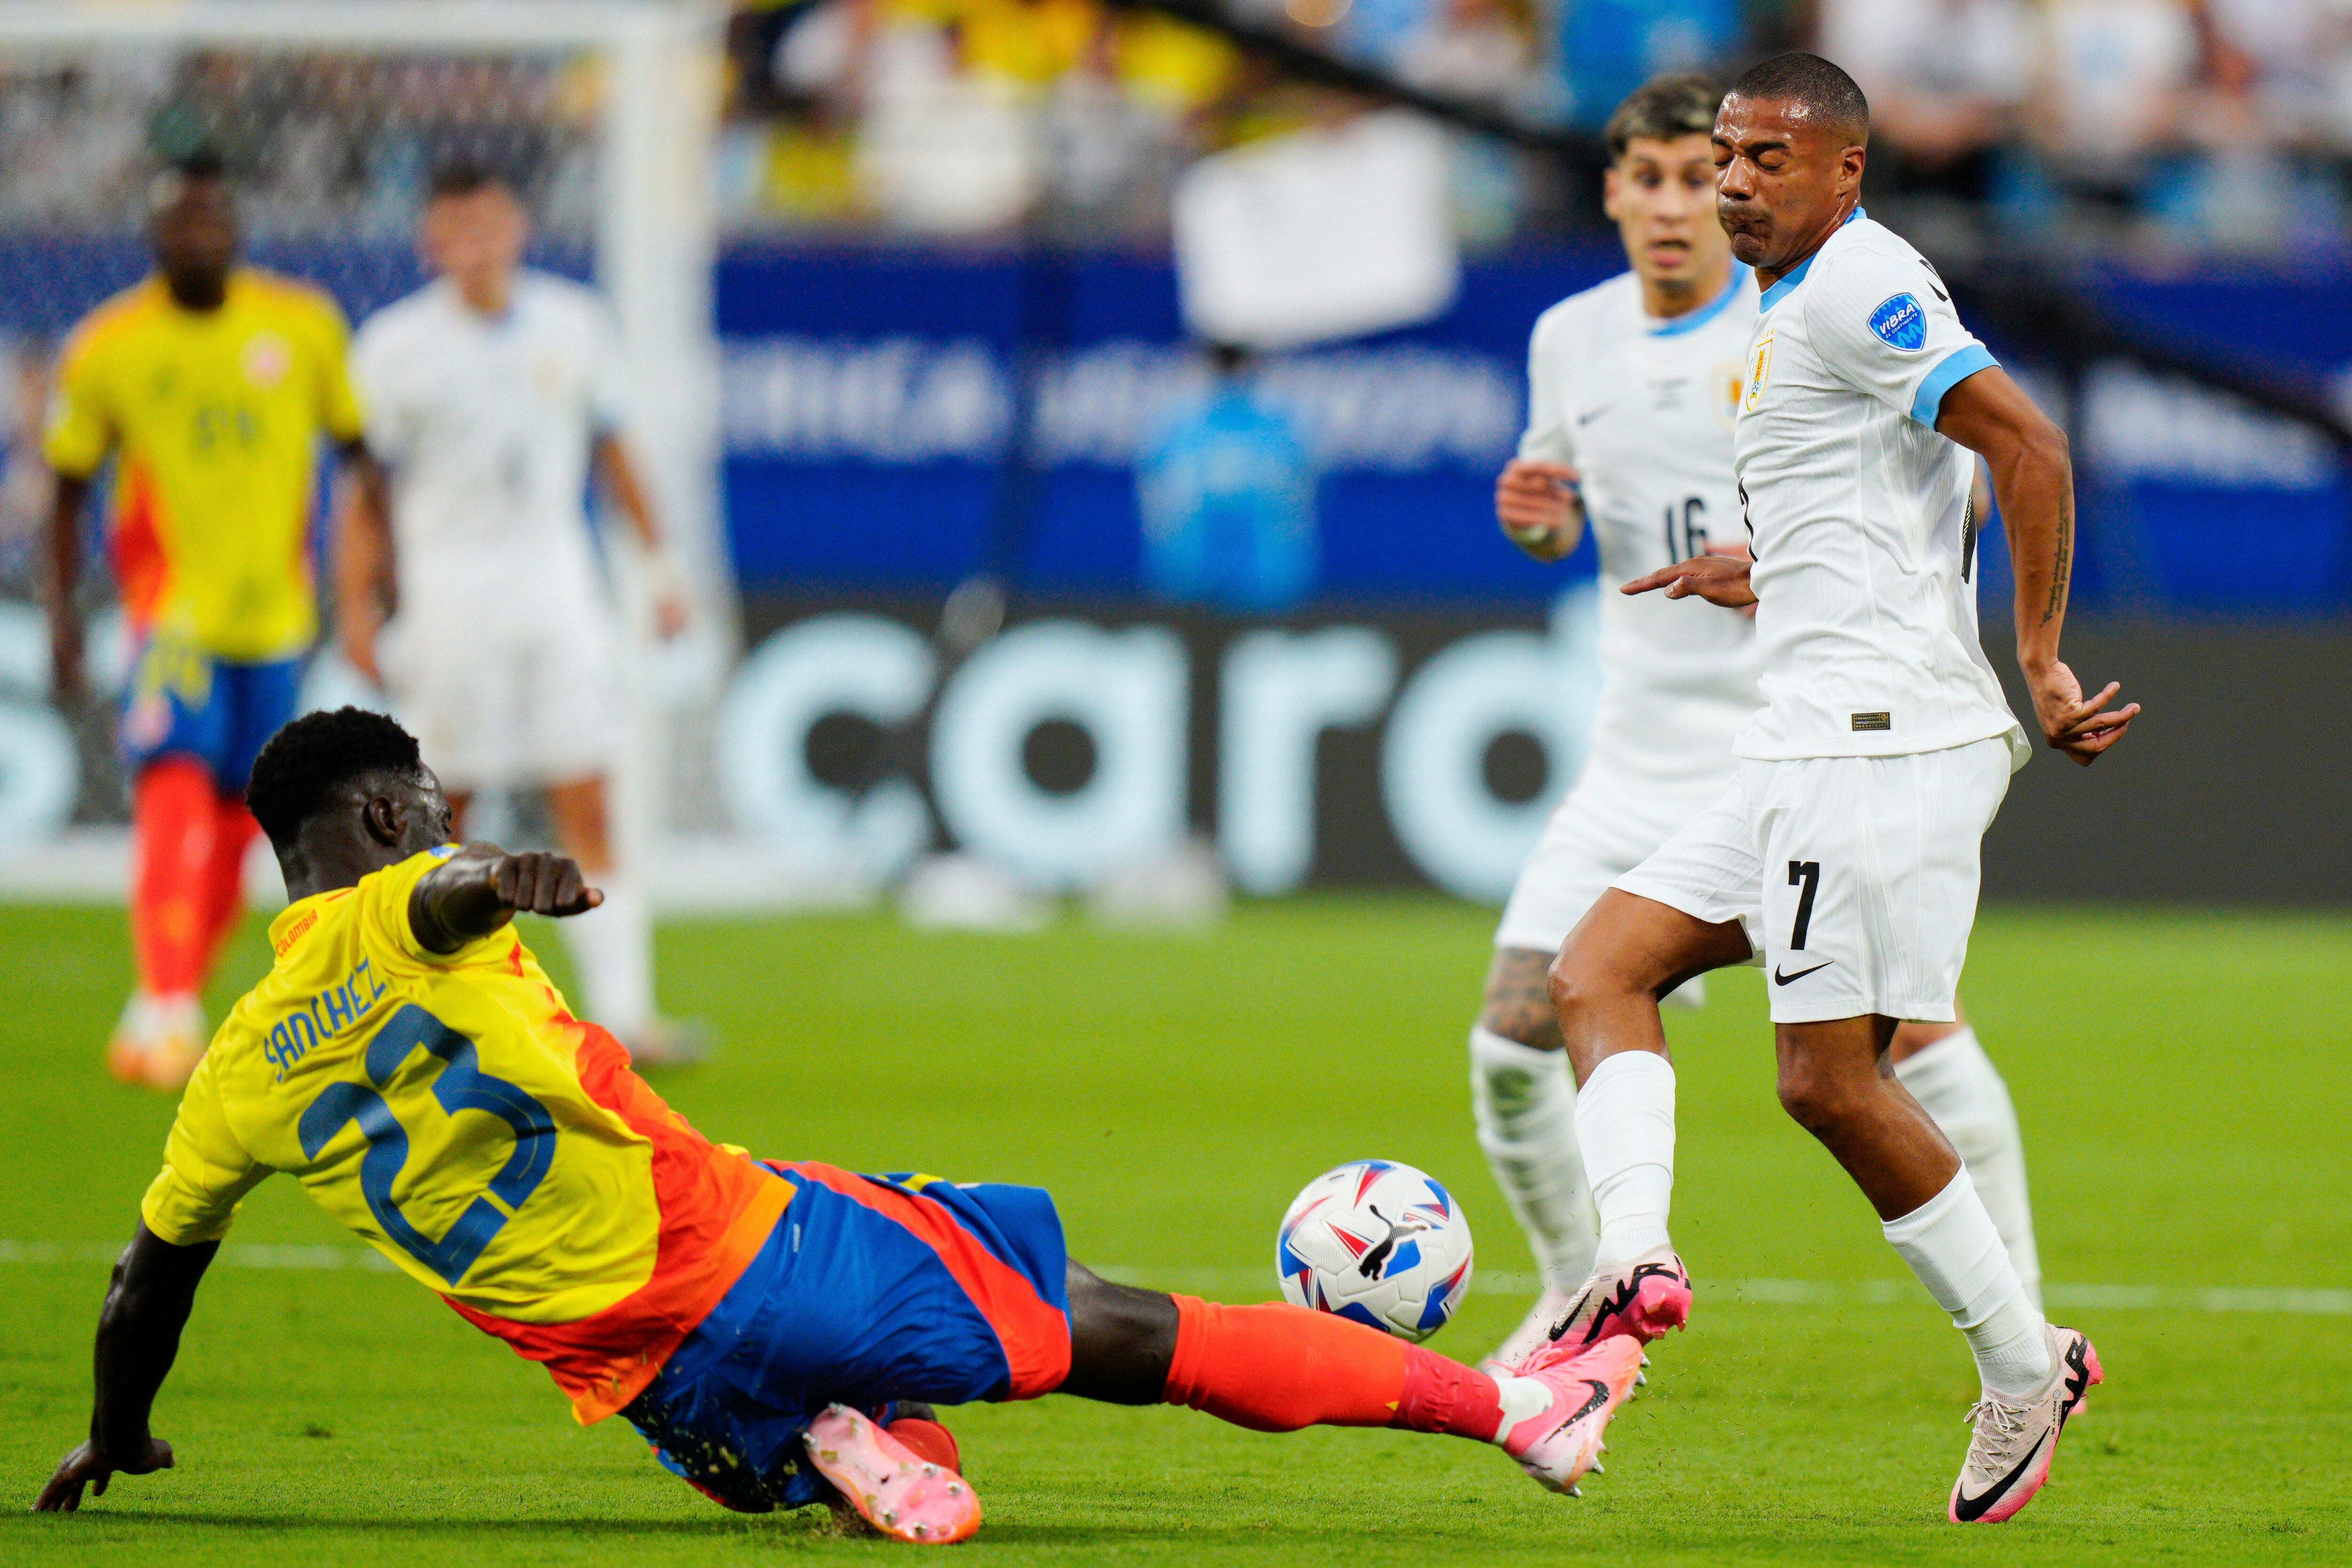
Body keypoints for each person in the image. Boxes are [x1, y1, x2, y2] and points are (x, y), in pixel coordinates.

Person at [32, 707, 1647, 1543]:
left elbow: (145, 1278)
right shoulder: (415, 894)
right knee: (1140, 1333)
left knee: (847, 1408)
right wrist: (499, 875)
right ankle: (1512, 1411)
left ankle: (832, 1446)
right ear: (384, 820)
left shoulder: (237, 1066)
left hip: (645, 1383)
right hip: (755, 1248)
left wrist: (119, 1425)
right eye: (435, 800)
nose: (449, 818)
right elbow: (445, 901)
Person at [1544, 53, 2135, 1524]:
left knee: (1826, 1078)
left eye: (1765, 160)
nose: (1737, 181)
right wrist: (1762, 563)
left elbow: (2025, 443)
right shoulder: (1792, 306)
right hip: (1804, 734)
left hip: (1870, 747)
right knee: (1598, 967)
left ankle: (2018, 1361)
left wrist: (2043, 655)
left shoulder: (1857, 286)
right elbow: (1885, 492)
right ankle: (1634, 1257)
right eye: (1726, 155)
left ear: (1843, 172)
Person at [1471, 72, 2044, 1373]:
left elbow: (1982, 460)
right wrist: (1537, 520)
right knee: (1530, 1022)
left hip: (1812, 736)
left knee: (1877, 1056)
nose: (1699, 197)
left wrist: (2017, 646)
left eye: (1721, 168)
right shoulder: (1572, 338)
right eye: (1671, 172)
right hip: (1644, 753)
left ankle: (2022, 1319)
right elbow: (1563, 514)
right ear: (1613, 192)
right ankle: (1590, 1285)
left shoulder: (1820, 300)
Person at [338, 161, 698, 1064]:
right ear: (431, 242)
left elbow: (615, 452)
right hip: (449, 603)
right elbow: (364, 496)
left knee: (589, 795)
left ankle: (624, 1015)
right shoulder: (393, 347)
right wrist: (353, 604)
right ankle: (410, 1006)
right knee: (441, 815)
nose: (475, 247)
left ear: (518, 227)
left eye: (488, 226)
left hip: (557, 593)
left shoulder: (574, 324)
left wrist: (661, 570)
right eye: (455, 231)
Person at [42, 151, 379, 1090]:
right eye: (179, 222)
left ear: (236, 228)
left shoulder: (303, 326)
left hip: (276, 620)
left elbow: (360, 459)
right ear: (155, 235)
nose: (197, 235)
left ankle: (170, 996)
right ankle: (165, 1002)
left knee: (242, 820)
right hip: (171, 621)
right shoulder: (109, 344)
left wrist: (372, 586)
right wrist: (66, 616)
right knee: (171, 792)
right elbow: (68, 491)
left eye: (211, 218)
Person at [1133, 342, 1318, 614]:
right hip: (1264, 584)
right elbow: (1301, 504)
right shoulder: (1280, 429)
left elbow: (1154, 506)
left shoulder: (1179, 429)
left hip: (1194, 579)